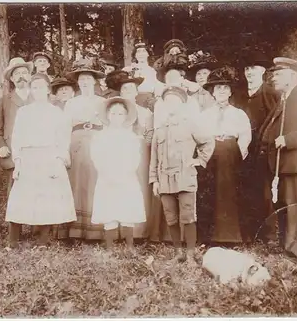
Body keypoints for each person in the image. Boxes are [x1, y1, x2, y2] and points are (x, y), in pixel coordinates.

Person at [257, 57, 297, 260]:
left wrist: (289, 139)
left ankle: (294, 250)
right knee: (282, 205)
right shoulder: (283, 99)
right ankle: (286, 246)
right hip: (279, 163)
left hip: (293, 163)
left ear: (292, 76)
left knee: (292, 206)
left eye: (278, 74)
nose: (273, 78)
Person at [5, 73, 76, 248]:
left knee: (46, 197)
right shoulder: (23, 112)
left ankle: (43, 240)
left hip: (48, 157)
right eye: (34, 87)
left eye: (41, 87)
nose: (37, 91)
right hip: (28, 157)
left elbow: (63, 138)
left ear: (47, 90)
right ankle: (12, 241)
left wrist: (59, 160)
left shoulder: (56, 112)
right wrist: (18, 161)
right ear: (31, 90)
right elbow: (17, 138)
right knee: (20, 197)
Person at [149, 86, 215, 264]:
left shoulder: (190, 124)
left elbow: (208, 141)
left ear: (182, 104)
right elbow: (153, 157)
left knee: (188, 216)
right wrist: (154, 180)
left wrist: (199, 160)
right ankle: (178, 252)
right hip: (164, 179)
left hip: (185, 177)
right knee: (171, 217)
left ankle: (191, 254)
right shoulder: (159, 129)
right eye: (168, 101)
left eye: (175, 101)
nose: (171, 105)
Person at [199, 69, 252, 244]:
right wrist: (204, 156)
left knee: (230, 193)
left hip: (231, 155)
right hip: (211, 153)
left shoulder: (238, 114)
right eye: (217, 88)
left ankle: (232, 236)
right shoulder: (205, 115)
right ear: (212, 93)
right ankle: (211, 237)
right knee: (211, 192)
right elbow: (199, 136)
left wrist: (239, 152)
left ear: (230, 91)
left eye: (225, 88)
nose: (221, 91)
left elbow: (245, 135)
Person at [234, 51, 280, 243]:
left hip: (263, 151)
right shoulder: (240, 96)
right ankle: (249, 233)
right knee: (246, 190)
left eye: (253, 68)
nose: (249, 72)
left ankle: (268, 234)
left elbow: (277, 122)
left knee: (265, 192)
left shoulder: (271, 94)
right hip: (244, 151)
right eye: (247, 69)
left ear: (262, 71)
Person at [90, 97, 146, 252]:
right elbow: (96, 156)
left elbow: (135, 157)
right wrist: (106, 173)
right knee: (109, 209)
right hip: (107, 177)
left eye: (120, 114)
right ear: (108, 115)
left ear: (126, 117)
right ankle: (109, 247)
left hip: (126, 176)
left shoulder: (131, 137)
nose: (116, 117)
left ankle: (129, 246)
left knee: (127, 209)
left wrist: (126, 172)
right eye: (113, 114)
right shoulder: (100, 136)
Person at [105, 70, 154, 240]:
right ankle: (118, 229)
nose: (128, 92)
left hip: (140, 152)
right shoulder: (116, 112)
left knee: (139, 189)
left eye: (131, 89)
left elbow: (150, 133)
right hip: (119, 154)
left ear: (136, 91)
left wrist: (142, 143)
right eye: (125, 89)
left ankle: (139, 232)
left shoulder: (145, 112)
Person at [64, 58, 107, 241]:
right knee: (77, 182)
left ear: (95, 81)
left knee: (96, 181)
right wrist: (65, 150)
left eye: (88, 79)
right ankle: (74, 231)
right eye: (81, 80)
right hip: (77, 141)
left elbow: (107, 125)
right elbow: (65, 127)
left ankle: (95, 230)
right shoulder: (71, 103)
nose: (85, 83)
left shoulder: (103, 101)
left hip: (97, 140)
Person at [0, 57, 34, 197]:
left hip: (37, 153)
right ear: (12, 79)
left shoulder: (40, 97)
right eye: (17, 74)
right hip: (14, 153)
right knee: (16, 194)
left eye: (24, 73)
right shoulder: (4, 101)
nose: (21, 76)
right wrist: (1, 146)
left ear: (30, 76)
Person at [122, 41, 161, 110]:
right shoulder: (127, 69)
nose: (141, 54)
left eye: (143, 51)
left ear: (148, 54)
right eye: (138, 52)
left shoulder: (152, 71)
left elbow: (157, 88)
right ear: (135, 55)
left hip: (147, 101)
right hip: (131, 100)